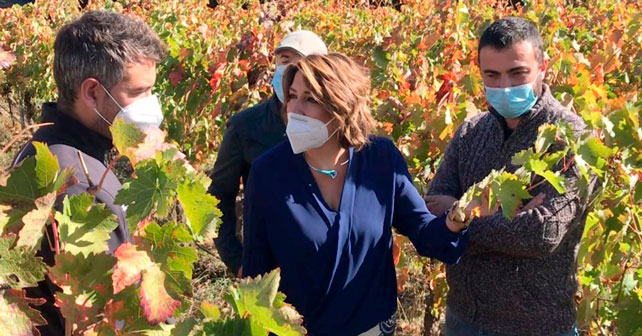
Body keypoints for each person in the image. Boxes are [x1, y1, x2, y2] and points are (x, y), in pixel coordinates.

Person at [242, 53, 492, 335]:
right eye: (292, 96)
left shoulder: (380, 159)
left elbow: (424, 232)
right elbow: (256, 271)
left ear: (341, 106)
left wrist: (457, 218)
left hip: (372, 328)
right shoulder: (268, 172)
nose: (295, 109)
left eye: (310, 99)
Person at [425, 17, 593, 335]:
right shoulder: (470, 133)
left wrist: (462, 214)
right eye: (492, 75)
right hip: (463, 317)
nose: (504, 87)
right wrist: (507, 214)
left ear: (543, 67)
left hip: (537, 325)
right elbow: (432, 207)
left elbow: (543, 233)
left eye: (517, 73)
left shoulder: (571, 138)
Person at [11, 10, 167, 334]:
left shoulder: (44, 149)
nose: (152, 104)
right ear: (92, 92)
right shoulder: (82, 186)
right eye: (138, 92)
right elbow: (109, 318)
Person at [208, 30, 327, 277]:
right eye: (284, 60)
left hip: (323, 262)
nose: (290, 69)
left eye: (300, 62)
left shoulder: (333, 125)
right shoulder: (245, 126)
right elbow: (219, 195)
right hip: (265, 266)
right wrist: (236, 260)